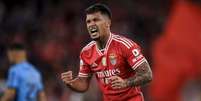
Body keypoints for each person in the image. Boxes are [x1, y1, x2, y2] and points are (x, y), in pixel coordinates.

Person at [61, 3, 152, 101]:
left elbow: (147, 74)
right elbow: (83, 84)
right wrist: (71, 83)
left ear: (107, 23)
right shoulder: (86, 52)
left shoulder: (125, 45)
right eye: (88, 21)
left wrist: (125, 83)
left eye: (96, 20)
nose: (91, 24)